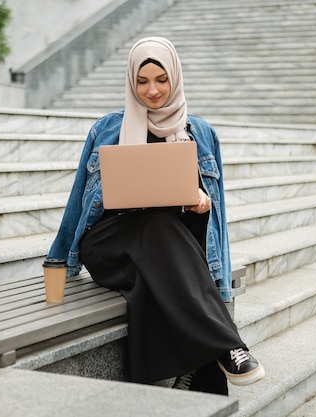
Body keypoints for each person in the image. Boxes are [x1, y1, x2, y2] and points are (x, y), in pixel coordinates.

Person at [46, 36, 264, 395]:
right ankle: (227, 344)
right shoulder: (107, 129)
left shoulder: (201, 132)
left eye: (161, 80)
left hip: (168, 248)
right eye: (142, 81)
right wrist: (59, 262)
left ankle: (193, 370)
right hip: (109, 243)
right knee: (158, 229)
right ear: (131, 81)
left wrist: (201, 201)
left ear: (175, 78)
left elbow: (217, 214)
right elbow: (77, 200)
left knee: (159, 244)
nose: (152, 91)